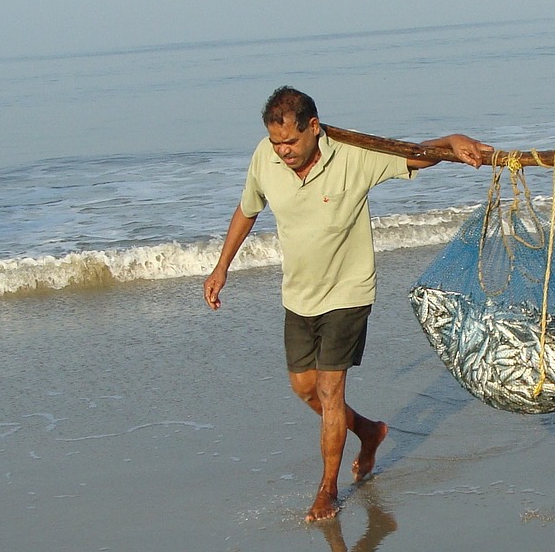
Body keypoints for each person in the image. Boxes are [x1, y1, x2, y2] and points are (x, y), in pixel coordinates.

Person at [204, 86, 490, 522]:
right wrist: (221, 266)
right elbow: (248, 209)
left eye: (290, 142)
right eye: (276, 142)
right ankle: (370, 432)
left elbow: (413, 155)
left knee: (330, 390)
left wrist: (450, 141)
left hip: (348, 293)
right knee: (304, 388)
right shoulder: (265, 156)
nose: (283, 151)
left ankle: (326, 491)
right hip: (299, 295)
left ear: (313, 128)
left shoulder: (352, 154)